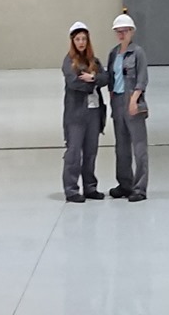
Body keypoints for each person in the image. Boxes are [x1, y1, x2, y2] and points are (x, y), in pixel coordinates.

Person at [60, 22, 106, 202]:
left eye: (84, 39)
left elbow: (105, 78)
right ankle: (71, 190)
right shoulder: (69, 61)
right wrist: (92, 83)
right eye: (78, 39)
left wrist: (92, 77)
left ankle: (90, 187)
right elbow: (74, 82)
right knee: (74, 152)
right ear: (73, 41)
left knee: (91, 151)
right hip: (76, 114)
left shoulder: (94, 61)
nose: (81, 42)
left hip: (94, 113)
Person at [107, 12, 150, 202]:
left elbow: (142, 78)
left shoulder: (138, 53)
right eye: (118, 31)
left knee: (139, 147)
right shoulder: (113, 53)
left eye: (124, 31)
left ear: (132, 32)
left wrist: (134, 99)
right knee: (121, 147)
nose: (121, 34)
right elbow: (111, 78)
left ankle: (139, 188)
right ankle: (125, 184)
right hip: (117, 101)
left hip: (132, 100)